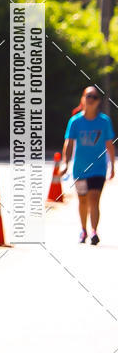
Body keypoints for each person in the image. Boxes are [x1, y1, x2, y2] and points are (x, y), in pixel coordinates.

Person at [59, 86, 115, 244]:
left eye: (94, 97)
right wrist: (65, 163)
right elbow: (69, 143)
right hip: (80, 168)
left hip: (98, 169)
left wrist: (112, 166)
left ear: (98, 101)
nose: (91, 99)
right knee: (83, 200)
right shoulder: (75, 121)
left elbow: (109, 145)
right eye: (88, 96)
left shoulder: (104, 121)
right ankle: (83, 230)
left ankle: (94, 231)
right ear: (83, 99)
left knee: (94, 198)